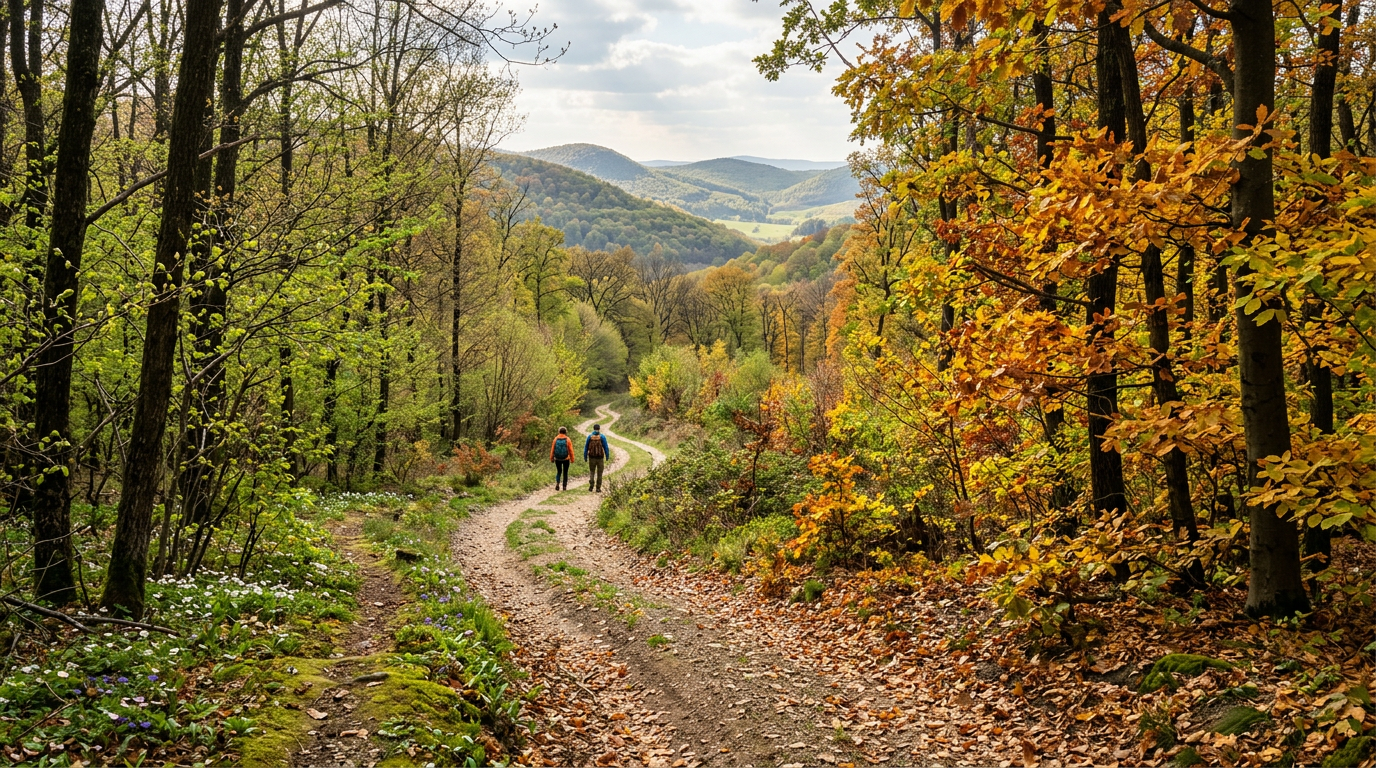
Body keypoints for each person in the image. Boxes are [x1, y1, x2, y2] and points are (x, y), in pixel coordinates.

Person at [584, 424, 611, 493]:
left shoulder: (590, 437)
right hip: (600, 458)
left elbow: (586, 447)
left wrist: (585, 456)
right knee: (600, 473)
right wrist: (607, 456)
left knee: (592, 471)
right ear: (599, 429)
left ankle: (591, 486)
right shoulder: (602, 437)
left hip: (591, 457)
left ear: (593, 428)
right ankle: (598, 488)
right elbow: (606, 447)